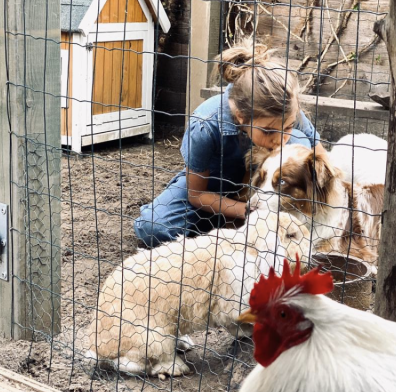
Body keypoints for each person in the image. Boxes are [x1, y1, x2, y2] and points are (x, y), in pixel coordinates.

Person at [134, 39, 326, 247]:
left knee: (299, 142)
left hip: (269, 190)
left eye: (286, 127)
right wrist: (251, 212)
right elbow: (196, 194)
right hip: (213, 187)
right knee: (152, 228)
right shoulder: (205, 124)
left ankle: (245, 229)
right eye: (268, 130)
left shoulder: (286, 109)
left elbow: (322, 157)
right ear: (241, 116)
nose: (280, 139)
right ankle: (225, 226)